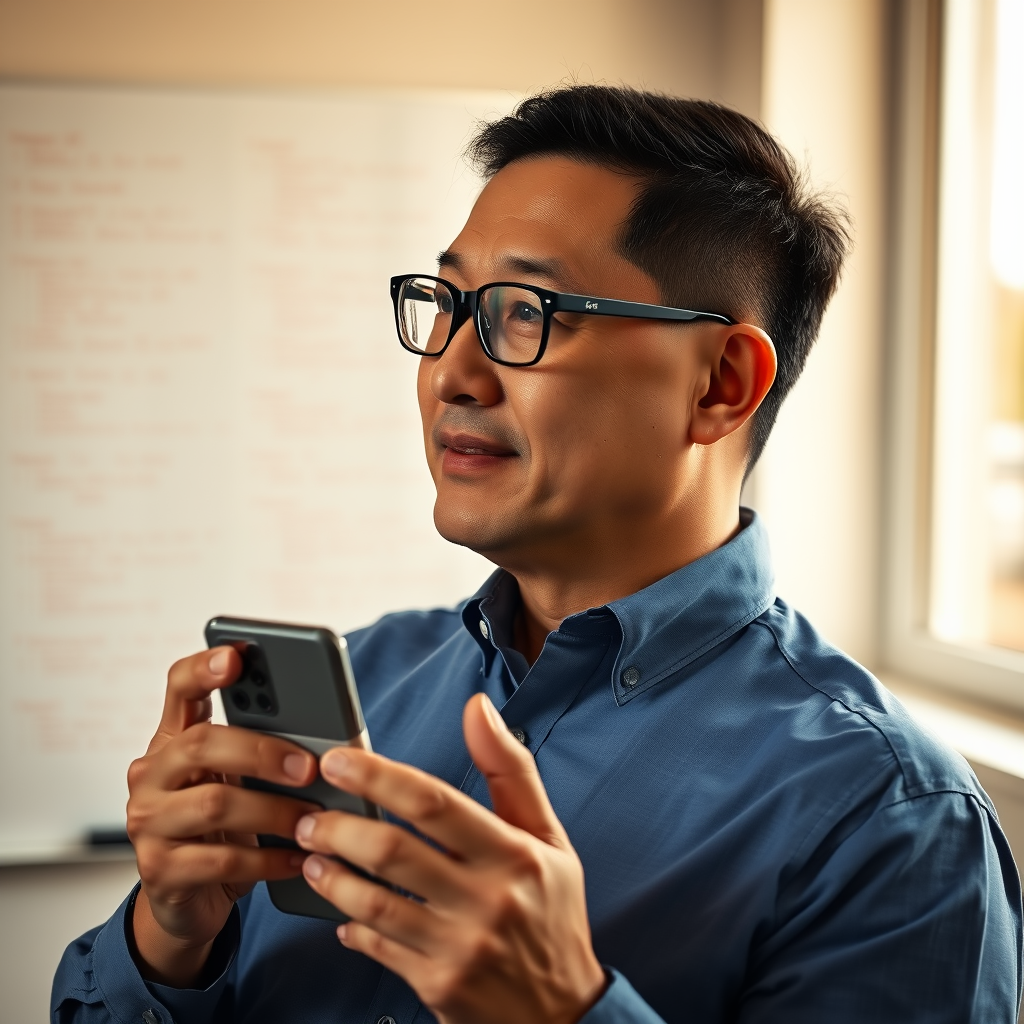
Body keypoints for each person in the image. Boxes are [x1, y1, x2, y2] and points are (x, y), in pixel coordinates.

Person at [53, 86, 1022, 1024]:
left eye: (525, 312)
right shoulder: (366, 684)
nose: (451, 371)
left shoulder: (887, 816)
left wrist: (566, 1011)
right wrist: (170, 940)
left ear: (721, 385)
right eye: (448, 303)